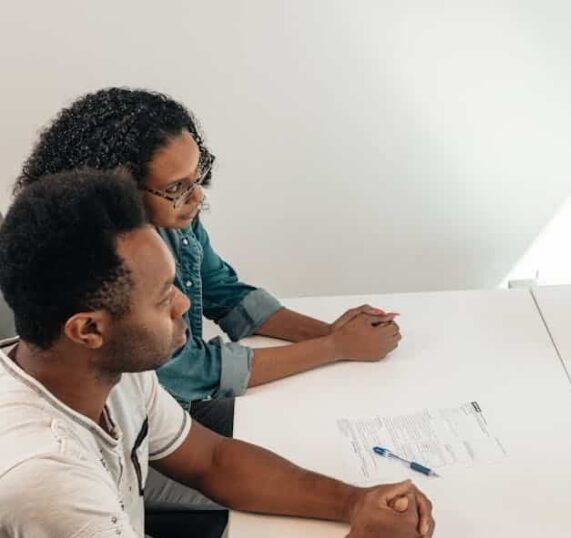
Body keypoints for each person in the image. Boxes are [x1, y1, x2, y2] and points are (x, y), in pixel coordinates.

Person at [0, 170, 435, 538]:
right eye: (164, 298)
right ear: (88, 329)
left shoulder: (108, 373)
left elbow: (214, 461)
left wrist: (354, 503)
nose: (184, 303)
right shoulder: (41, 469)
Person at [16, 87, 401, 510]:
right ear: (120, 187)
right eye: (178, 187)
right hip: (141, 442)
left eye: (199, 175)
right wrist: (334, 348)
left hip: (176, 418)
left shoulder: (175, 224)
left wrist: (334, 332)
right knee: (275, 494)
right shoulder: (93, 265)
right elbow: (188, 368)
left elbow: (224, 292)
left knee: (313, 445)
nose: (198, 196)